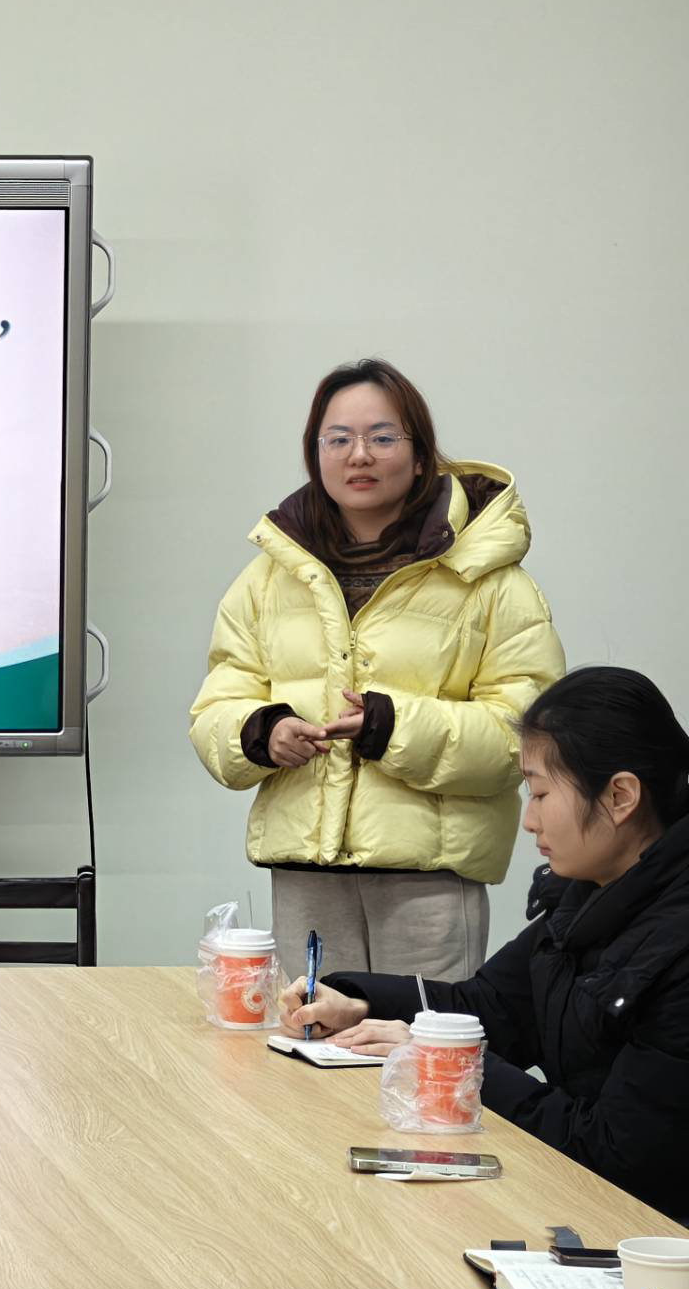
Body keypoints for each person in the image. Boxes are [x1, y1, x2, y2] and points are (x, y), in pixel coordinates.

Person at [189, 359, 564, 977]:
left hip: (430, 877)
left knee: (422, 1036)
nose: (358, 455)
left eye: (382, 437)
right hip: (306, 870)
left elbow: (524, 735)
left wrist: (392, 728)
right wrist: (262, 731)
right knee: (310, 1033)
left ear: (420, 457)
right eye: (337, 439)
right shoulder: (267, 579)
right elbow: (215, 708)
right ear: (316, 455)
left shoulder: (491, 582)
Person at [281, 667, 689, 1221]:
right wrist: (357, 1003)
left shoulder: (675, 944)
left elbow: (616, 1156)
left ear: (620, 796)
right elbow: (489, 1006)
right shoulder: (588, 898)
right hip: (583, 1198)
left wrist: (447, 1060)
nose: (529, 820)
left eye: (540, 793)